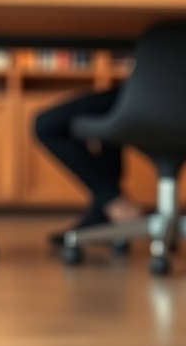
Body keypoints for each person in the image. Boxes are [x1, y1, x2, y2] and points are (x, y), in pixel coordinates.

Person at [34, 85, 144, 246]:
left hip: (147, 94)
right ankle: (102, 213)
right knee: (109, 126)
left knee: (47, 126)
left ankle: (114, 201)